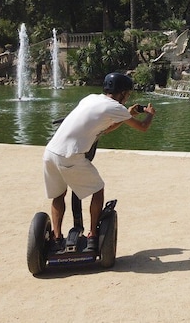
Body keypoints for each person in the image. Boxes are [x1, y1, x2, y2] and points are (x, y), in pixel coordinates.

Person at [42, 72, 155, 252]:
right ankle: (93, 235)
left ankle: (56, 239)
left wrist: (126, 114)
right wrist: (149, 114)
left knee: (58, 195)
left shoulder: (90, 99)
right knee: (98, 189)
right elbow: (142, 127)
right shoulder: (115, 108)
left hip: (50, 153)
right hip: (71, 155)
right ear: (123, 93)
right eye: (128, 94)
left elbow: (104, 128)